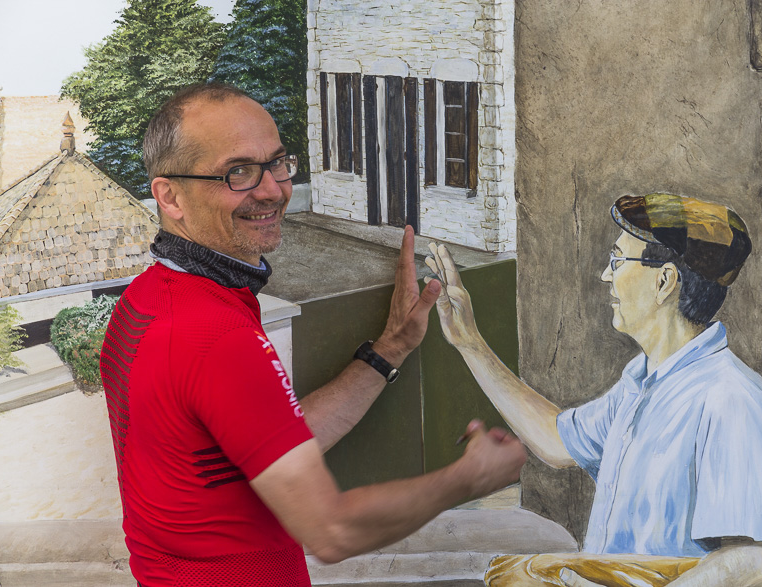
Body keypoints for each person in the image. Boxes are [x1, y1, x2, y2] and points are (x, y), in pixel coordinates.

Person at [98, 82, 526, 587]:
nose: (271, 190)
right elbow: (331, 531)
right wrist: (469, 477)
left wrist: (390, 348)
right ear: (170, 196)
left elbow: (268, 436)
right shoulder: (214, 335)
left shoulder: (147, 298)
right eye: (238, 172)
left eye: (276, 163)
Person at [425, 193, 762, 587]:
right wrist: (471, 343)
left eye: (617, 261)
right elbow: (557, 440)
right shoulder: (640, 382)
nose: (605, 276)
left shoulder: (730, 397)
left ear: (664, 281)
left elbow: (756, 561)